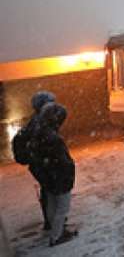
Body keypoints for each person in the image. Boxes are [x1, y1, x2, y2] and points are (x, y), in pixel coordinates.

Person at [30, 102, 77, 247]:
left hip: (48, 177)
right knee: (62, 207)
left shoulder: (39, 133)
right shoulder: (52, 138)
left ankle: (55, 232)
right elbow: (62, 161)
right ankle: (57, 235)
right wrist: (68, 174)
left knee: (52, 204)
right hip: (58, 177)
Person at [11, 91, 57, 230]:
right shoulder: (39, 122)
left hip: (40, 162)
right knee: (50, 190)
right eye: (50, 103)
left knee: (49, 189)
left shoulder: (38, 120)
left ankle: (51, 220)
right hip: (41, 163)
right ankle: (52, 222)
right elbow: (42, 143)